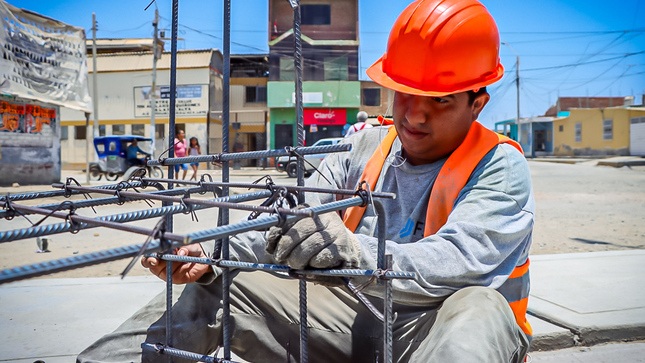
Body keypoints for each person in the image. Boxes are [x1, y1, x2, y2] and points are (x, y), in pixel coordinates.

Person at [77, 0, 533, 362]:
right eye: (406, 93)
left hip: (437, 329)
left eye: (439, 100)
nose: (414, 113)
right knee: (216, 285)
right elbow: (287, 224)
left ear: (477, 103)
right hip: (356, 319)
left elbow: (459, 259)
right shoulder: (364, 146)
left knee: (480, 309)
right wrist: (211, 251)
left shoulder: (499, 165)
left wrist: (358, 255)